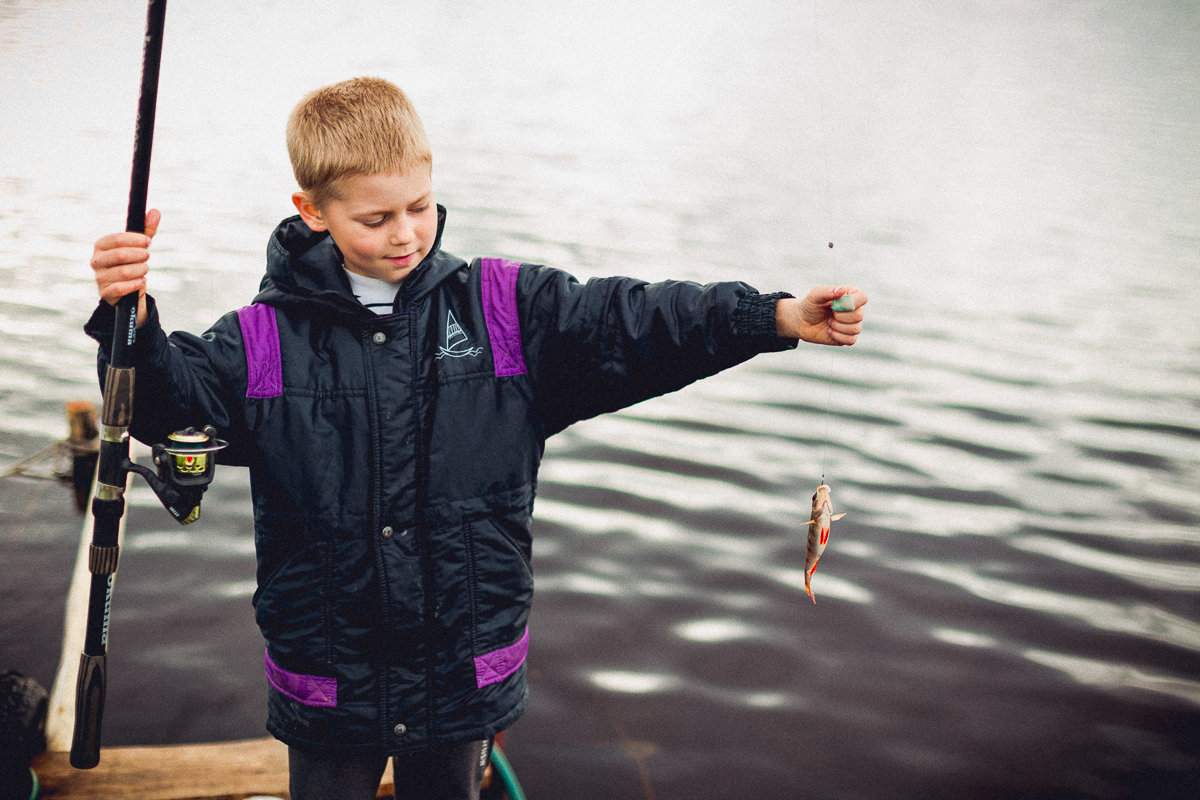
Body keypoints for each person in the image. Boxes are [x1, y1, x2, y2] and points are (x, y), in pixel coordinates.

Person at [86, 77, 867, 800]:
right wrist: (136, 321)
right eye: (376, 217)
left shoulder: (506, 311)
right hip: (328, 677)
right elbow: (170, 407)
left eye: (421, 206)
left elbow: (639, 323)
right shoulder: (261, 341)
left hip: (459, 673)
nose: (407, 234)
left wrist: (774, 317)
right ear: (312, 210)